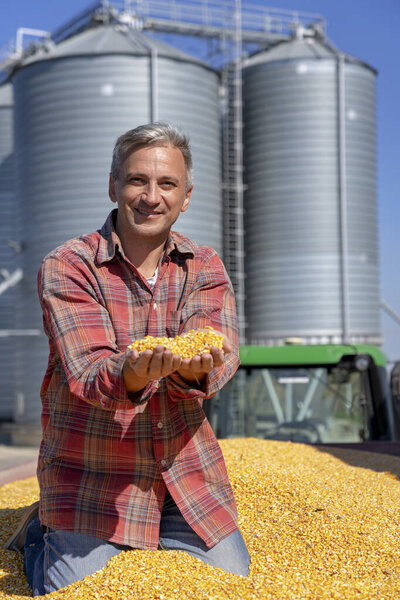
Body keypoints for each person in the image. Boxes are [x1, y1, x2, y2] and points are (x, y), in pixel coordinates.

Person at [5, 122, 250, 595]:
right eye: (137, 180)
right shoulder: (70, 265)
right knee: (77, 590)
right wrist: (132, 372)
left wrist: (200, 369)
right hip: (91, 476)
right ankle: (41, 536)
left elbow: (217, 345)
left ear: (187, 196)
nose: (150, 197)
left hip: (184, 477)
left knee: (230, 583)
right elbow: (89, 369)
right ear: (113, 185)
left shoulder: (204, 265)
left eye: (167, 184)